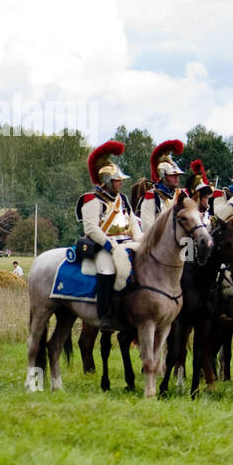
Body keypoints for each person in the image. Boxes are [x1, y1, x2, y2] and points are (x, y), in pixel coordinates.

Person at [78, 140, 140, 330]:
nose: (120, 183)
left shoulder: (122, 199)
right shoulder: (92, 199)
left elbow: (132, 222)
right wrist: (109, 245)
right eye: (117, 180)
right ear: (106, 181)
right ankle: (104, 316)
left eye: (120, 180)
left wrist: (140, 240)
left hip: (126, 243)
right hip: (103, 246)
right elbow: (90, 228)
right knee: (108, 271)